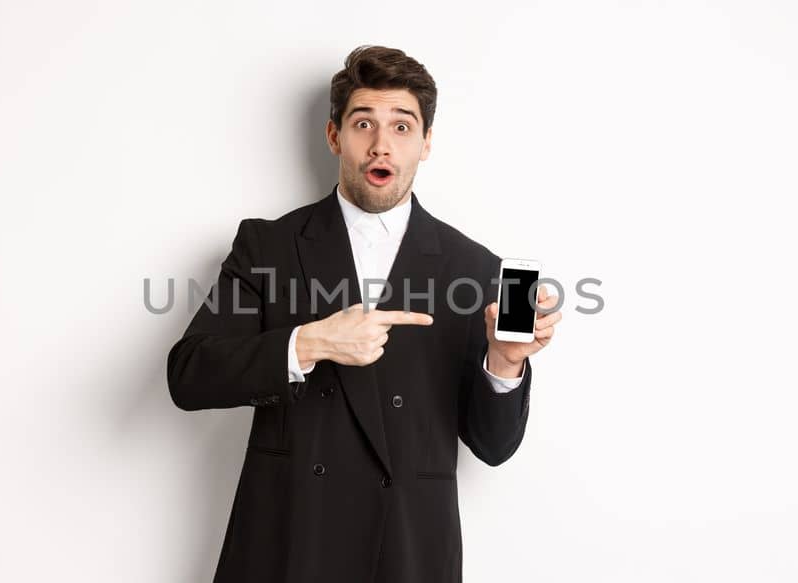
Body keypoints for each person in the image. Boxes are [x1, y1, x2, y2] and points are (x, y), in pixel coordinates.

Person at [166, 45, 561, 583]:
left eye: (402, 127)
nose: (381, 145)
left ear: (425, 144)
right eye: (363, 124)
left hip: (407, 551)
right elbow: (190, 376)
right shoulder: (268, 245)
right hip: (289, 540)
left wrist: (505, 362)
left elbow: (492, 447)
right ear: (335, 137)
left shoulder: (473, 266)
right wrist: (309, 342)